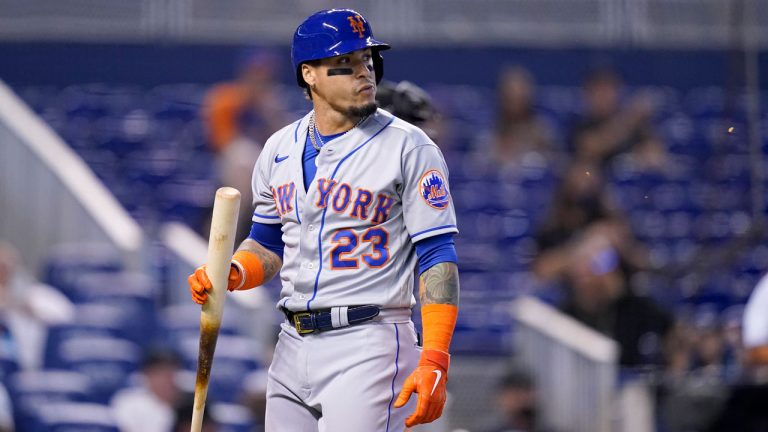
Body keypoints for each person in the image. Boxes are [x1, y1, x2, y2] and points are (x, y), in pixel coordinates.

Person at [188, 9, 460, 432]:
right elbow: (267, 244)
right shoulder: (279, 148)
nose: (364, 72)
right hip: (291, 342)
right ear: (309, 74)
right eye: (345, 63)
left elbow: (437, 255)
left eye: (367, 60)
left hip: (368, 341)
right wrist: (233, 272)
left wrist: (435, 357)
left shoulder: (409, 146)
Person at [202, 49, 288, 240]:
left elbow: (283, 141)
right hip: (228, 164)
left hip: (262, 164)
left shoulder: (272, 103)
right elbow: (222, 142)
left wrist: (270, 113)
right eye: (257, 72)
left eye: (266, 75)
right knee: (243, 160)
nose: (261, 79)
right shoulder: (226, 98)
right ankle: (224, 239)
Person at [568, 67, 666, 171]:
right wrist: (630, 117)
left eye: (608, 89)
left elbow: (656, 154)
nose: (603, 96)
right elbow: (592, 147)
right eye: (598, 90)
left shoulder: (636, 126)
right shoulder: (579, 123)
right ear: (587, 93)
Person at [110, 349, 183, 432]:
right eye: (159, 372)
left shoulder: (189, 402)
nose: (166, 378)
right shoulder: (128, 401)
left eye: (171, 371)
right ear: (146, 374)